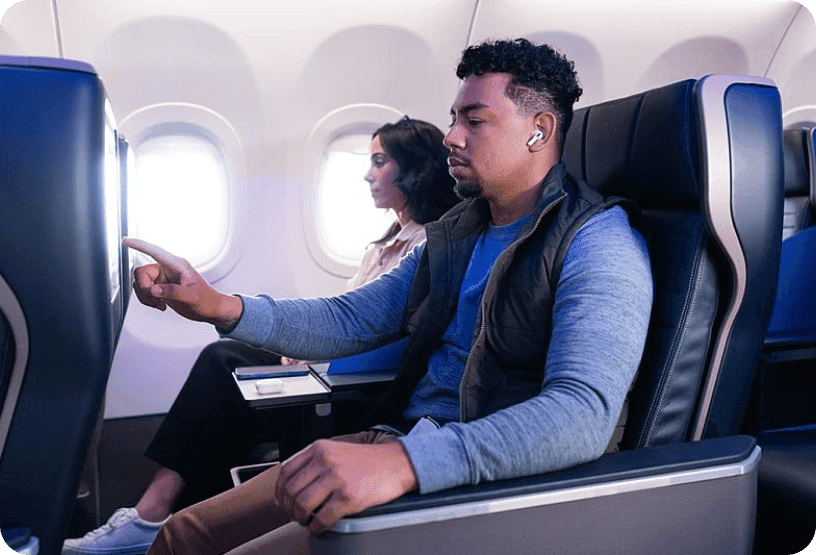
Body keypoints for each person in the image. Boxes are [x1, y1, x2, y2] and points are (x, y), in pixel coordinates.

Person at [129, 38, 653, 555]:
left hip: (477, 482)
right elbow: (350, 319)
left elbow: (580, 415)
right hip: (399, 441)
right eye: (454, 119)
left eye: (474, 121)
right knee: (182, 535)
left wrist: (406, 463)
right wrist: (218, 304)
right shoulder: (460, 231)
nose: (452, 137)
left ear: (539, 130)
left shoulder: (597, 242)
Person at [62, 117, 459, 555]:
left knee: (223, 363)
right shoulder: (388, 245)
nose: (368, 174)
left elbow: (386, 341)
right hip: (333, 366)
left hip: (355, 388)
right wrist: (268, 331)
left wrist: (310, 357)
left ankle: (153, 514)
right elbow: (349, 316)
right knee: (226, 363)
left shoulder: (431, 244)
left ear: (417, 170)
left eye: (380, 161)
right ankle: (160, 517)